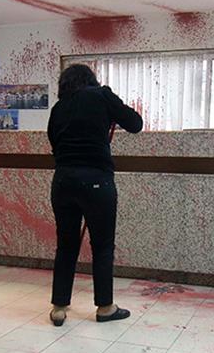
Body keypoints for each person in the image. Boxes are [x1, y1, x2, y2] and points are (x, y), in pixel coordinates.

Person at [46, 64, 143, 326]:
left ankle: (59, 307)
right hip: (97, 181)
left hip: (63, 182)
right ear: (91, 80)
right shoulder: (102, 95)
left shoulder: (59, 108)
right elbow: (135, 124)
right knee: (102, 246)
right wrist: (110, 103)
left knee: (66, 244)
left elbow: (54, 143)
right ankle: (105, 307)